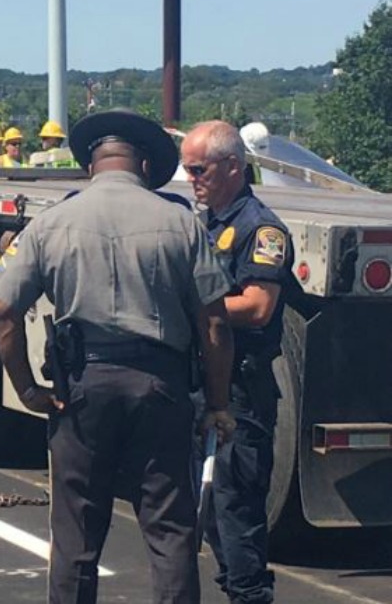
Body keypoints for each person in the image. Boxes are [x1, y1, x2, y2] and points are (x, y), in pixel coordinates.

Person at [0, 109, 238, 604]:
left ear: (89, 166)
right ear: (144, 166)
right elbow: (214, 322)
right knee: (170, 533)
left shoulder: (50, 222)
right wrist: (217, 402)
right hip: (160, 388)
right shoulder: (180, 223)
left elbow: (2, 314)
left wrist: (27, 389)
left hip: (82, 391)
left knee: (77, 534)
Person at [181, 120, 293, 604]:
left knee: (236, 509)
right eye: (187, 169)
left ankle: (249, 597)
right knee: (203, 507)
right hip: (205, 381)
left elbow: (257, 306)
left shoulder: (260, 229)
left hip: (242, 390)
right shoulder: (204, 222)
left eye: (199, 169)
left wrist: (188, 308)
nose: (191, 179)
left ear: (232, 166)